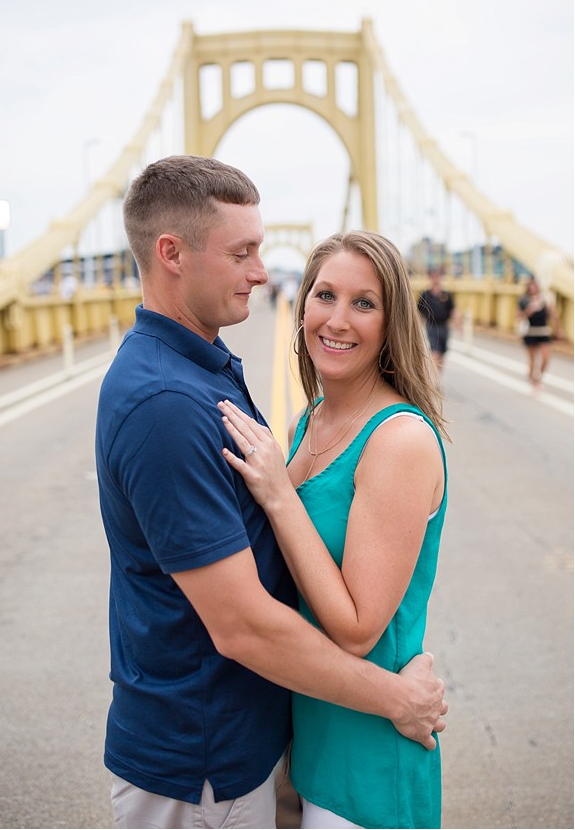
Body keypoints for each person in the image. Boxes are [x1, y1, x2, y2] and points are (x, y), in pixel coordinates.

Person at [93, 155, 445, 828]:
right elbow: (245, 624)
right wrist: (397, 697)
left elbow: (350, 611)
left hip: (315, 749)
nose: (262, 271)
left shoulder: (210, 370)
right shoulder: (170, 401)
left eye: (364, 302)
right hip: (206, 760)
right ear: (172, 253)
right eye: (244, 252)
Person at [216, 230, 448, 828]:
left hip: (369, 764)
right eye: (324, 295)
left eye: (363, 303)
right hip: (310, 743)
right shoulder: (311, 420)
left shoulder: (399, 440)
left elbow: (355, 630)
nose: (337, 320)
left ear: (391, 322)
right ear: (301, 308)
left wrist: (275, 490)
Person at [414, 268, 453, 372]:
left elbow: (452, 310)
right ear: (430, 278)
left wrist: (460, 325)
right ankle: (434, 381)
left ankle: (437, 374)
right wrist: (416, 328)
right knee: (435, 352)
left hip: (444, 326)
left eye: (437, 276)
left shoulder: (446, 294)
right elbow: (419, 312)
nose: (435, 279)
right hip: (431, 325)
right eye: (433, 276)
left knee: (442, 353)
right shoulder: (425, 294)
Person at [521, 275, 555, 395]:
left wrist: (559, 330)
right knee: (532, 359)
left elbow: (552, 315)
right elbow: (519, 316)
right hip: (530, 331)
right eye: (531, 286)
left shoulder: (545, 299)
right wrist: (530, 309)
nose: (533, 288)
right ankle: (532, 380)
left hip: (543, 331)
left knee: (546, 358)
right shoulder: (524, 300)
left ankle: (538, 378)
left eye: (535, 285)